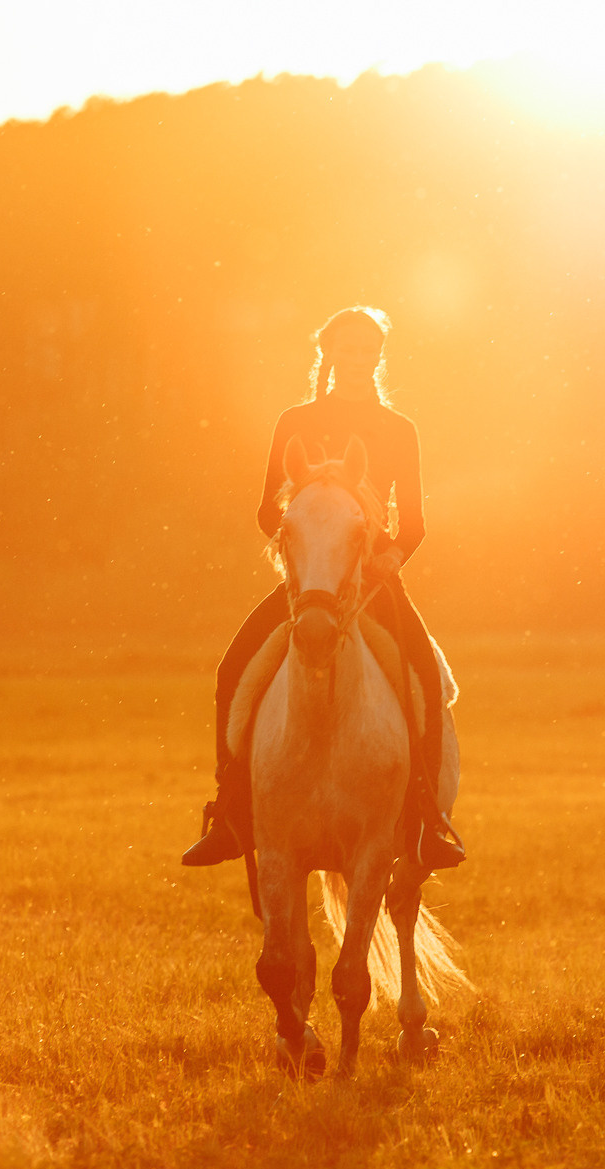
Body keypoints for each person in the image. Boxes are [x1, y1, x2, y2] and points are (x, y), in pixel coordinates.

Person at [181, 305, 466, 871]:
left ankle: (429, 818)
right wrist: (302, 538)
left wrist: (386, 558)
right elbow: (267, 510)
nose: (358, 360)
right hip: (310, 582)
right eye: (348, 349)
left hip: (373, 582)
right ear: (329, 353)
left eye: (368, 351)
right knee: (232, 669)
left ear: (378, 358)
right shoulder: (294, 422)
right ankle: (232, 810)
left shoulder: (398, 429)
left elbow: (414, 524)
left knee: (425, 680)